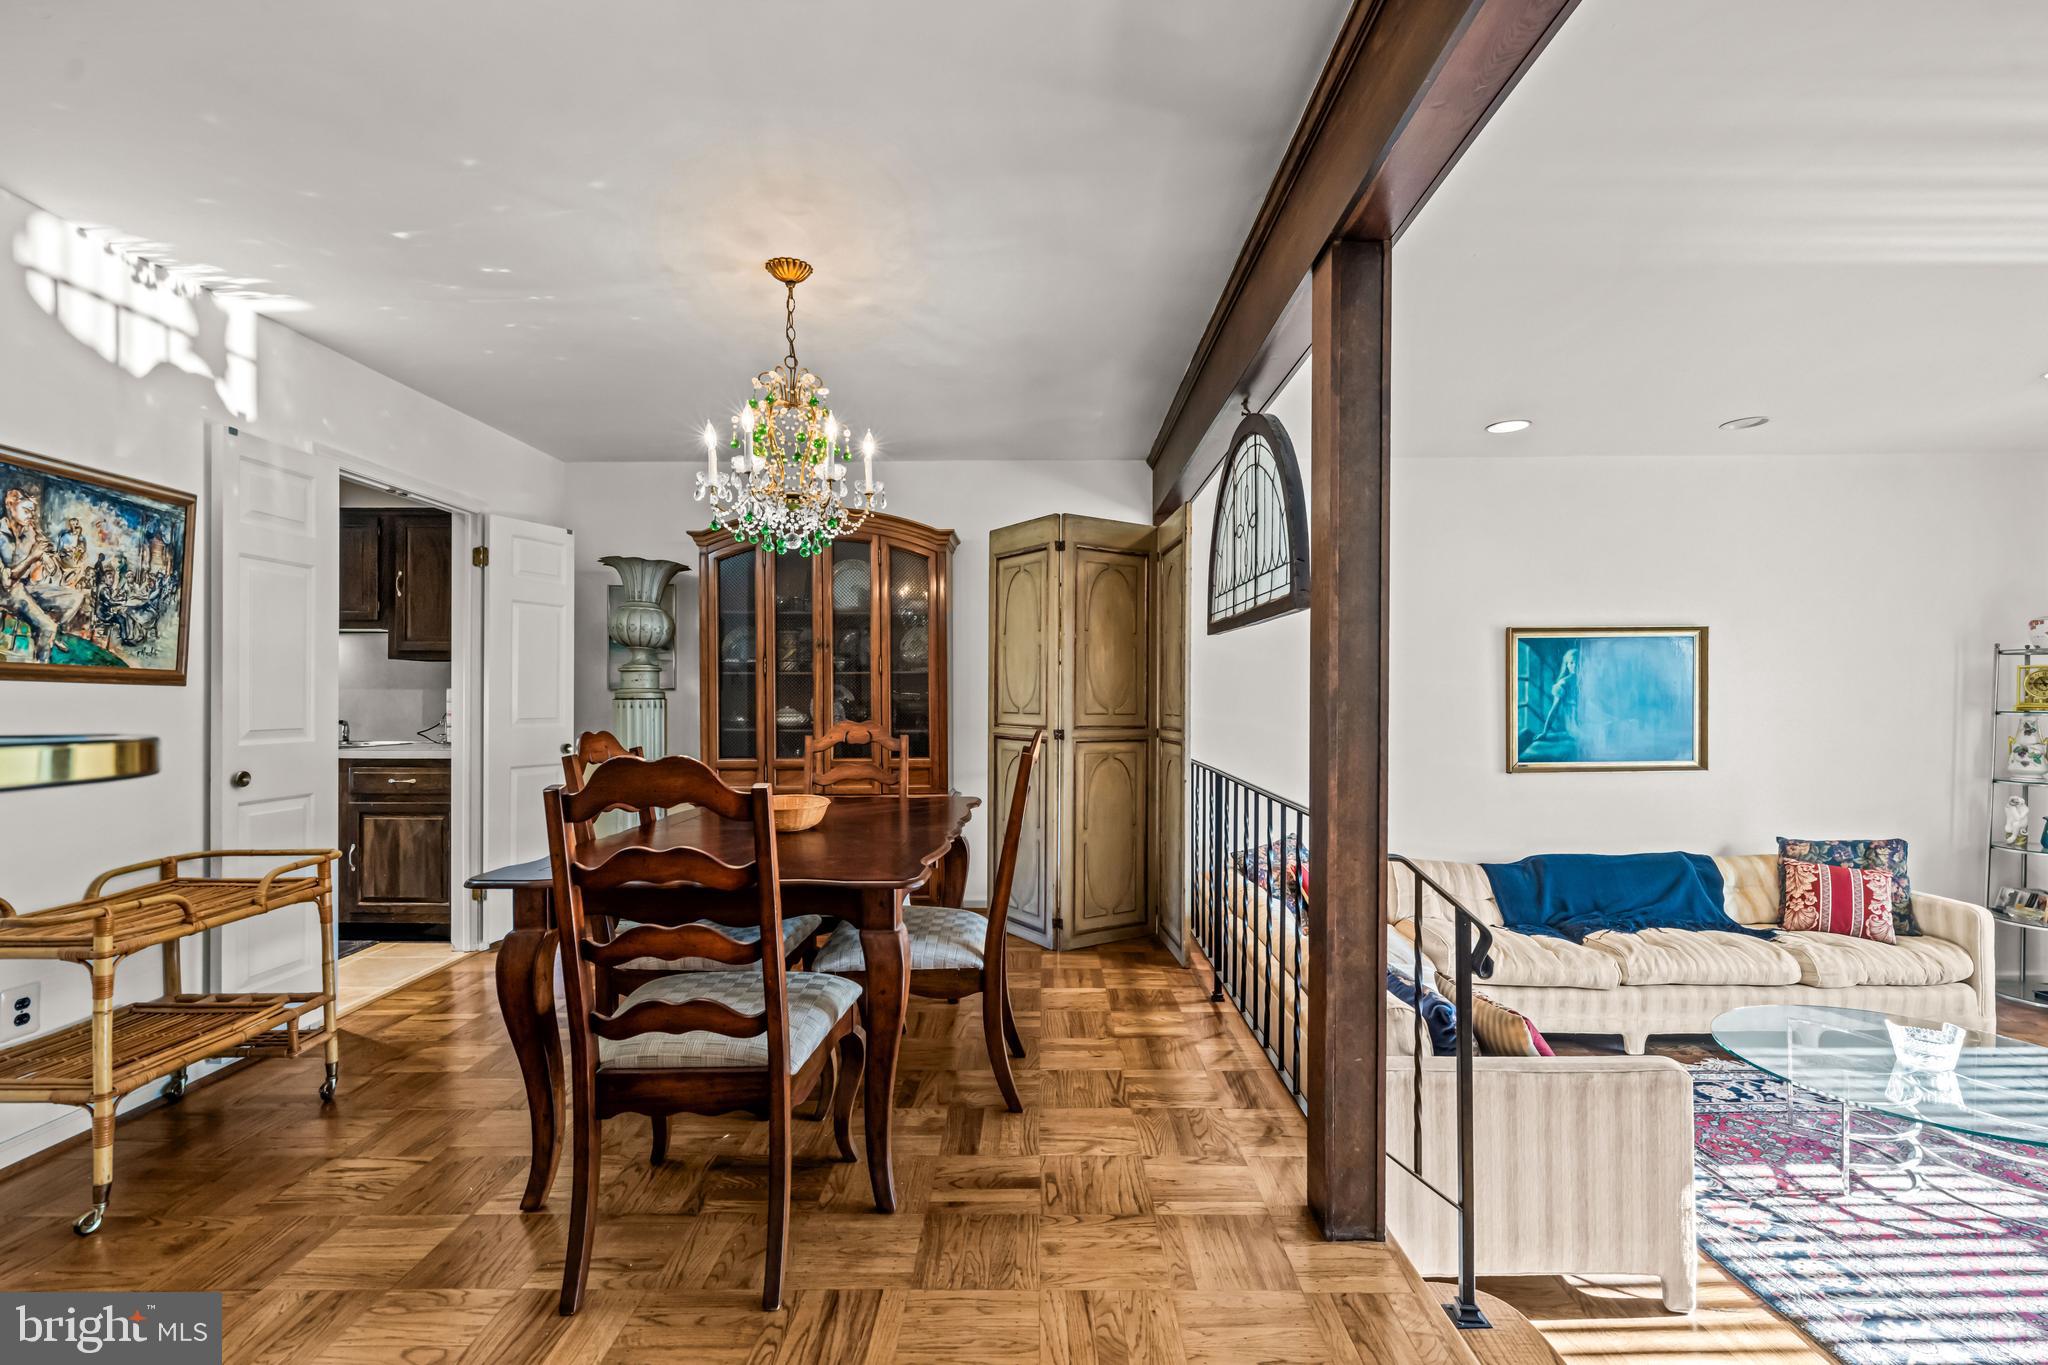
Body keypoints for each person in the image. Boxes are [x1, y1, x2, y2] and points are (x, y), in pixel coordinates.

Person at [0, 488, 86, 662]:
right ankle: (42, 663)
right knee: (47, 627)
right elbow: (7, 581)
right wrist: (33, 557)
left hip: (25, 586)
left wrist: (45, 557)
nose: (31, 516)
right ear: (10, 506)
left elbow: (36, 562)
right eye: (26, 511)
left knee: (75, 597)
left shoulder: (28, 531)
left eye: (32, 511)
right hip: (6, 591)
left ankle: (46, 630)